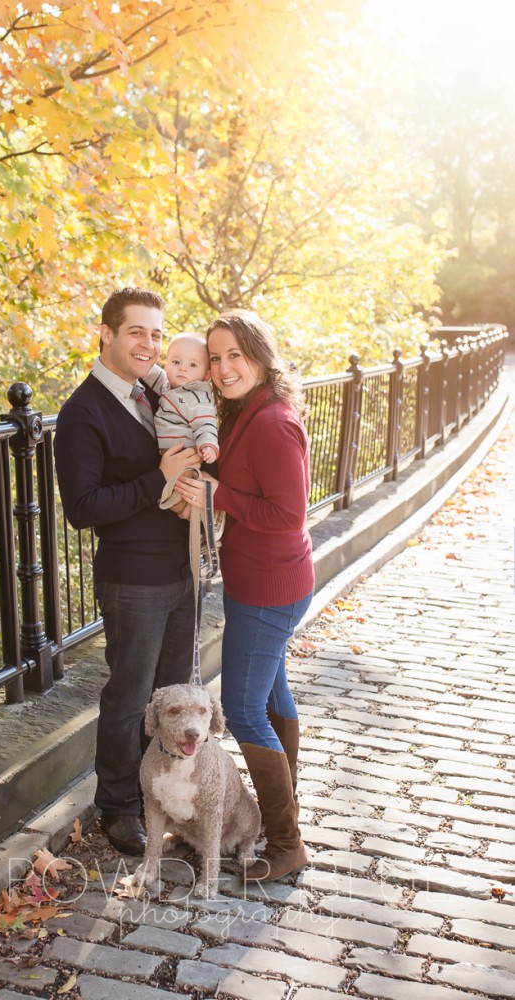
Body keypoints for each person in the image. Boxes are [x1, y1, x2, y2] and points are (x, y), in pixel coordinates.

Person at [54, 287, 200, 856]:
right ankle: (118, 807)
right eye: (136, 331)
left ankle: (163, 798)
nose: (149, 343)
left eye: (157, 333)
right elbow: (83, 509)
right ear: (107, 334)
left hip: (180, 569)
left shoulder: (156, 394)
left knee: (175, 700)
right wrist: (159, 478)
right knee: (131, 698)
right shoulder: (83, 411)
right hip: (134, 580)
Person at [176, 308, 314, 882]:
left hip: (269, 588)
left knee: (244, 709)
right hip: (262, 581)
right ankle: (285, 816)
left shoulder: (273, 421)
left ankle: (285, 844)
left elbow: (288, 514)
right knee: (273, 695)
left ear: (260, 355)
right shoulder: (244, 412)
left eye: (237, 354)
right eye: (216, 356)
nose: (225, 366)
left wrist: (218, 494)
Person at [152, 333, 219, 463]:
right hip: (166, 452)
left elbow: (205, 424)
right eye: (176, 362)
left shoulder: (199, 398)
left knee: (183, 481)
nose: (182, 368)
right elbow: (151, 373)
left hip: (186, 453)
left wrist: (208, 445)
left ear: (206, 375)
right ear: (166, 367)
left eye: (192, 365)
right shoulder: (168, 386)